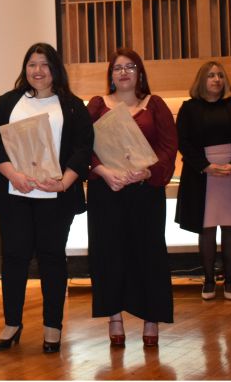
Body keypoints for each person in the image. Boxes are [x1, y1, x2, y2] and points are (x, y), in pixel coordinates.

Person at [0, 42, 93, 354]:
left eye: (44, 64)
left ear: (55, 68)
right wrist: (14, 175)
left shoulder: (72, 105)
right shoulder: (8, 102)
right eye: (32, 64)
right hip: (15, 195)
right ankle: (12, 323)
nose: (38, 70)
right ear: (25, 68)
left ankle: (52, 326)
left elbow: (83, 147)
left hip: (55, 197)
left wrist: (64, 183)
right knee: (14, 259)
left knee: (52, 259)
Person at [86, 47, 177, 348]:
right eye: (117, 68)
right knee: (109, 253)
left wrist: (148, 172)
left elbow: (168, 148)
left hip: (145, 194)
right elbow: (82, 146)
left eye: (130, 67)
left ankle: (151, 318)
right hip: (107, 192)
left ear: (140, 73)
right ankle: (114, 316)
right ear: (110, 75)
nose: (123, 72)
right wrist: (103, 171)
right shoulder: (97, 105)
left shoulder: (155, 105)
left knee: (149, 254)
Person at [175, 61, 231, 301]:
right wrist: (205, 166)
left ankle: (230, 281)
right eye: (211, 75)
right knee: (206, 227)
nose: (216, 79)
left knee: (230, 226)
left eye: (220, 75)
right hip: (202, 175)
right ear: (202, 80)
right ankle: (208, 280)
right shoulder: (189, 108)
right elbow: (182, 141)